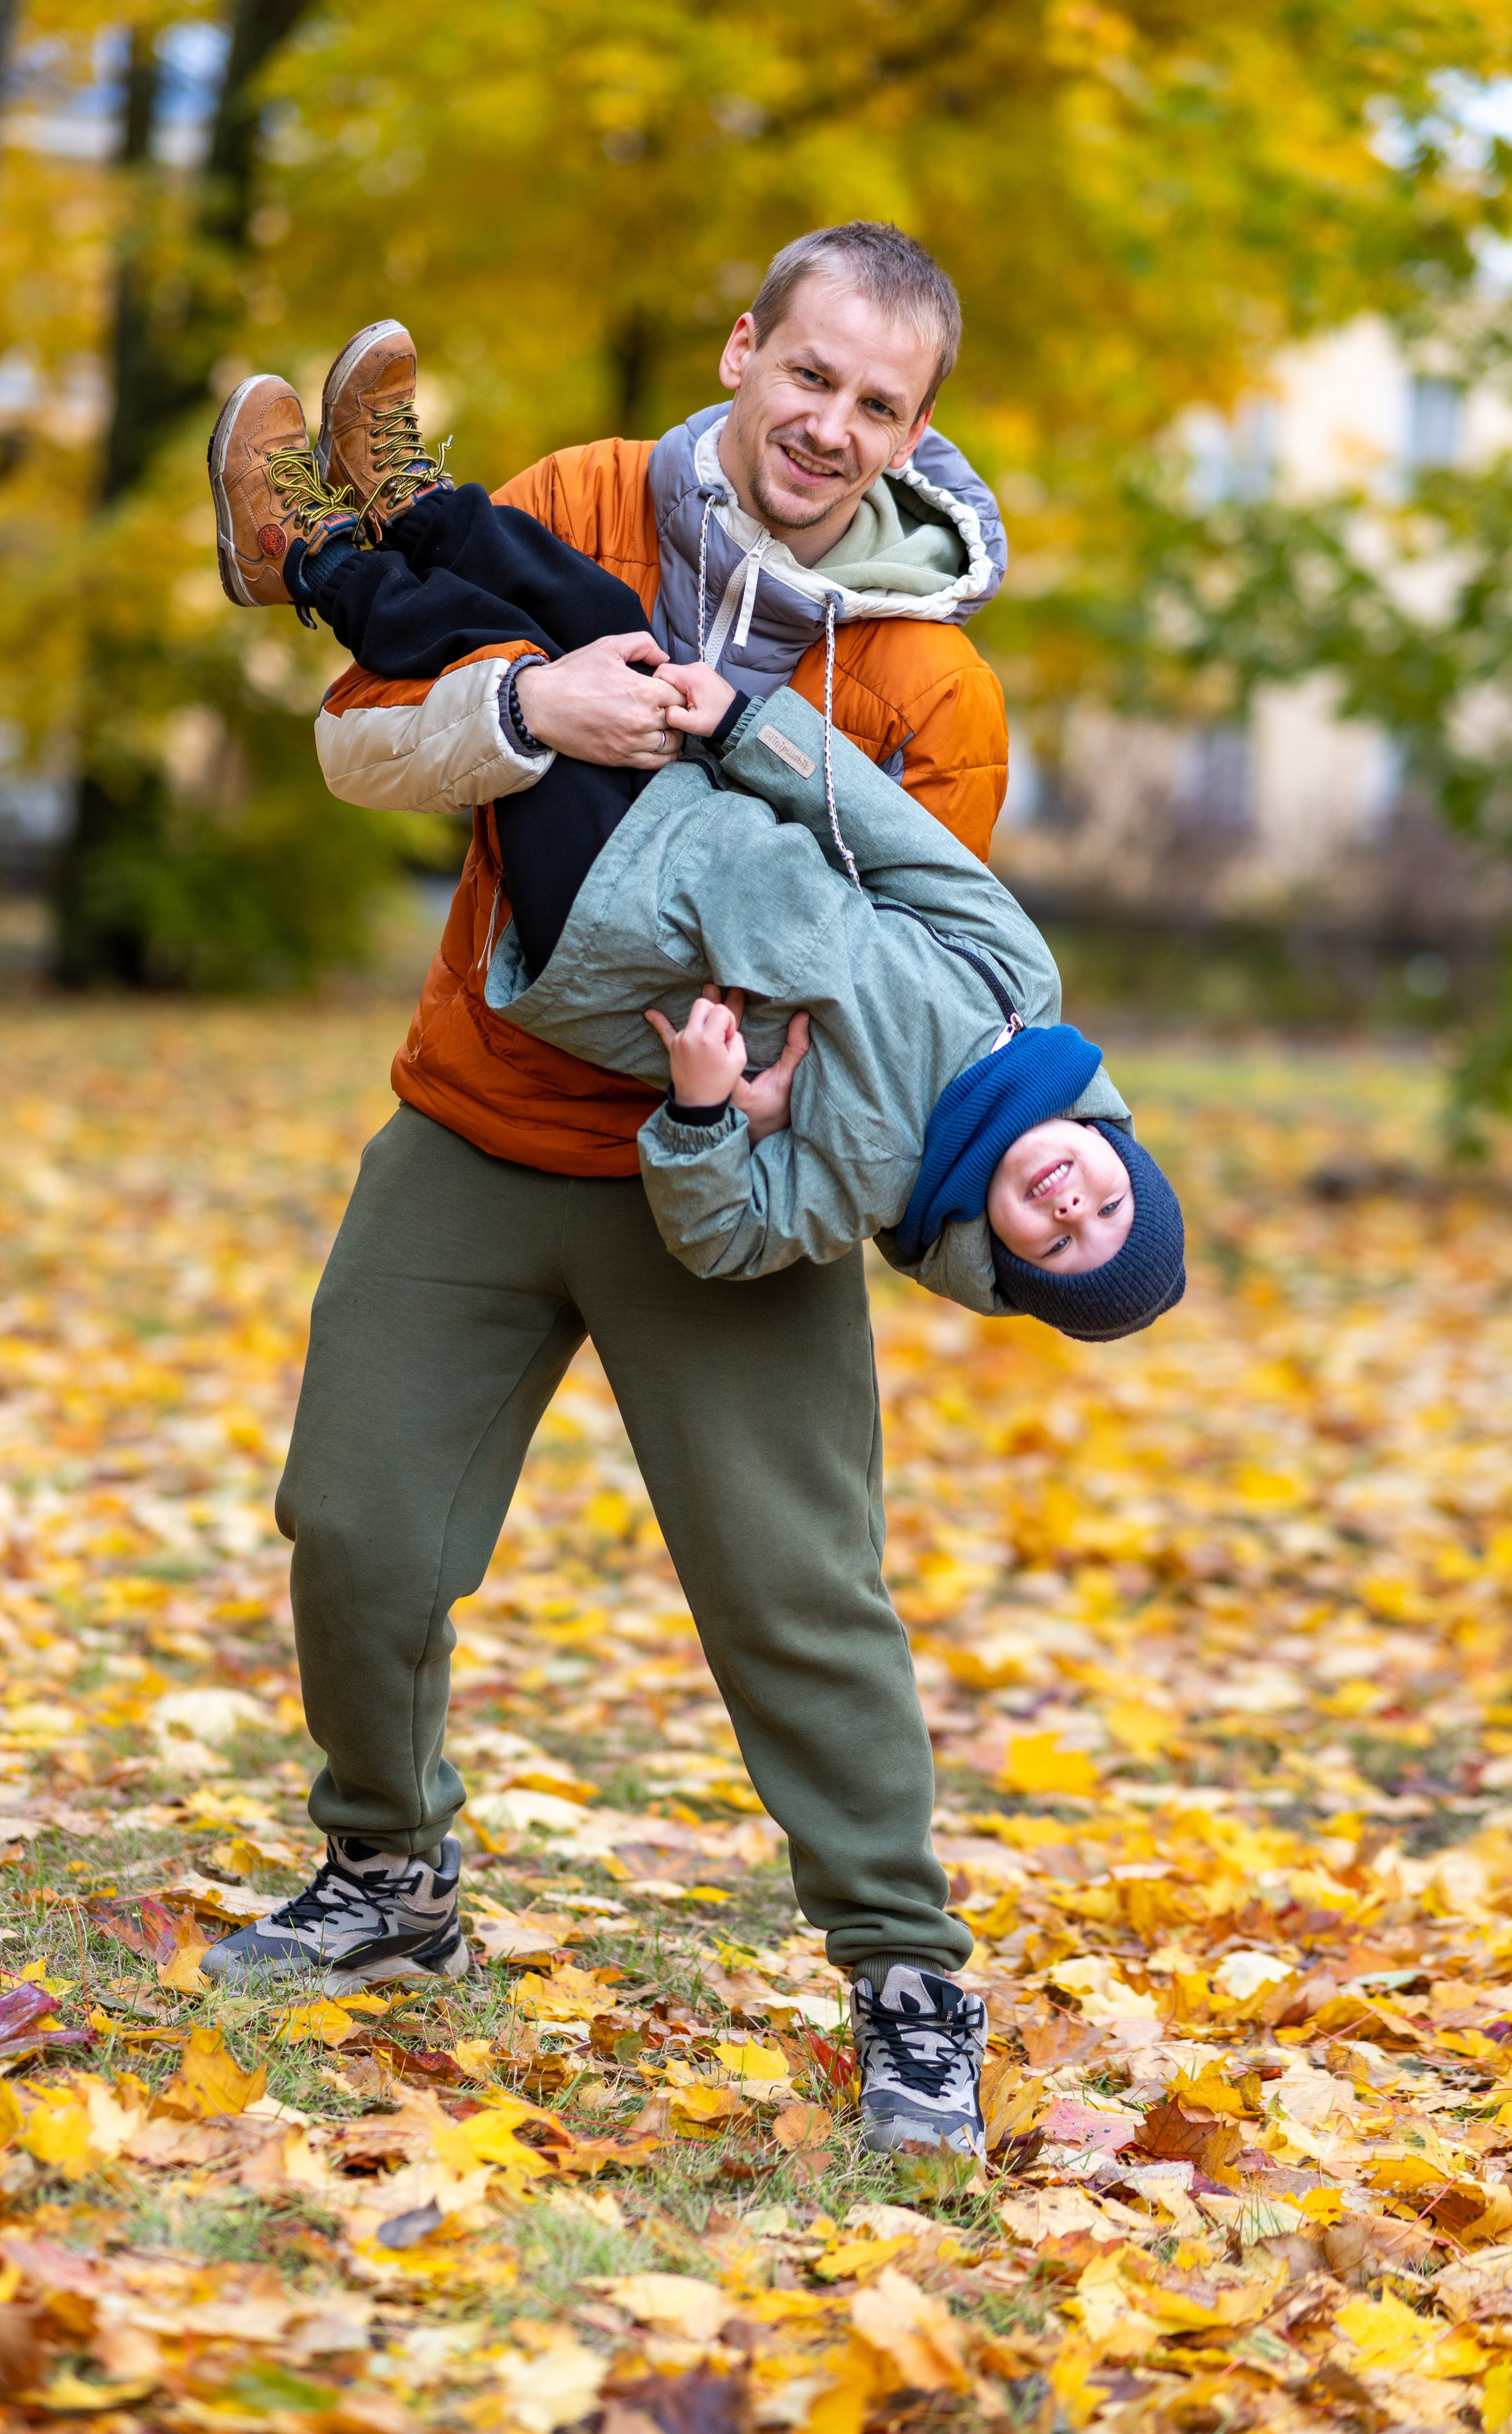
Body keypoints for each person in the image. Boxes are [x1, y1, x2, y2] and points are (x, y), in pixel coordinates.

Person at [199, 227, 1077, 2160]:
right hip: (483, 1117)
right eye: (810, 375)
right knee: (353, 1529)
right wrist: (532, 723)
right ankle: (387, 1876)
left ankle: (909, 1975)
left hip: (734, 1173)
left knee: (798, 1597)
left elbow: (892, 971)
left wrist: (742, 1086)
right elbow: (358, 745)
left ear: (919, 434)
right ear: (743, 347)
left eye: (881, 406)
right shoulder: (586, 495)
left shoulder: (935, 686)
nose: (831, 427)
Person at [211, 459, 1184, 1334]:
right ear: (1120, 1154)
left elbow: (723, 1235)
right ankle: (414, 510)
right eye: (1109, 1208)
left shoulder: (871, 1182)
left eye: (1057, 1247)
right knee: (605, 626)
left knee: (516, 664)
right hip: (705, 806)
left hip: (622, 923)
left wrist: (704, 1112)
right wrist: (746, 728)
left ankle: (312, 561)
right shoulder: (1019, 985)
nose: (1071, 1210)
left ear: (996, 1259)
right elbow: (896, 841)